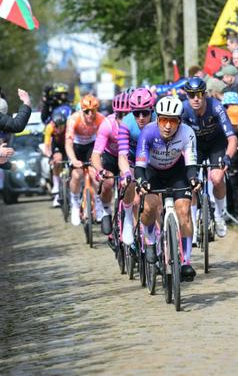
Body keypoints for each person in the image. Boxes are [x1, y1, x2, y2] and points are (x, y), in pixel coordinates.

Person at [135, 96, 200, 281]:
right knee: (149, 207)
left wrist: (193, 179)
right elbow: (139, 166)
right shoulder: (148, 132)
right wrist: (141, 181)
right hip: (152, 173)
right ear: (157, 119)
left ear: (180, 121)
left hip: (177, 172)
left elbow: (191, 164)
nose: (168, 126)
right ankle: (150, 240)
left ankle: (186, 262)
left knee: (184, 211)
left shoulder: (187, 133)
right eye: (164, 120)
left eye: (173, 121)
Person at [182, 77, 238, 238]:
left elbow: (232, 138)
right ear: (187, 96)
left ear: (205, 94)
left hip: (216, 144)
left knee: (217, 178)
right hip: (195, 146)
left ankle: (219, 215)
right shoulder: (183, 109)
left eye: (199, 94)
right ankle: (192, 223)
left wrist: (227, 157)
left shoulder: (216, 107)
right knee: (191, 182)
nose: (196, 99)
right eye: (191, 95)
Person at [91, 92, 133, 238]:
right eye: (120, 115)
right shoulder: (107, 125)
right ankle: (106, 210)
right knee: (107, 183)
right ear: (115, 114)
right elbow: (96, 154)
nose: (123, 119)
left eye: (127, 115)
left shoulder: (136, 125)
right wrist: (100, 170)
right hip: (111, 157)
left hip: (127, 157)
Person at [64, 94, 105, 226]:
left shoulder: (101, 119)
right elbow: (68, 143)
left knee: (95, 174)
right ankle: (75, 204)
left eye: (93, 111)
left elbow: (104, 141)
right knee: (76, 175)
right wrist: (73, 159)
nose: (90, 115)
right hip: (76, 146)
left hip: (92, 146)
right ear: (82, 110)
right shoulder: (73, 119)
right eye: (87, 111)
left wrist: (99, 159)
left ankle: (98, 203)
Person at [43, 112, 67, 207]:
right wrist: (50, 157)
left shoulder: (69, 127)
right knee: (57, 159)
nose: (57, 129)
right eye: (56, 126)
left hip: (68, 145)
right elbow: (47, 146)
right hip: (57, 146)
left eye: (60, 126)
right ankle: (56, 186)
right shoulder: (50, 127)